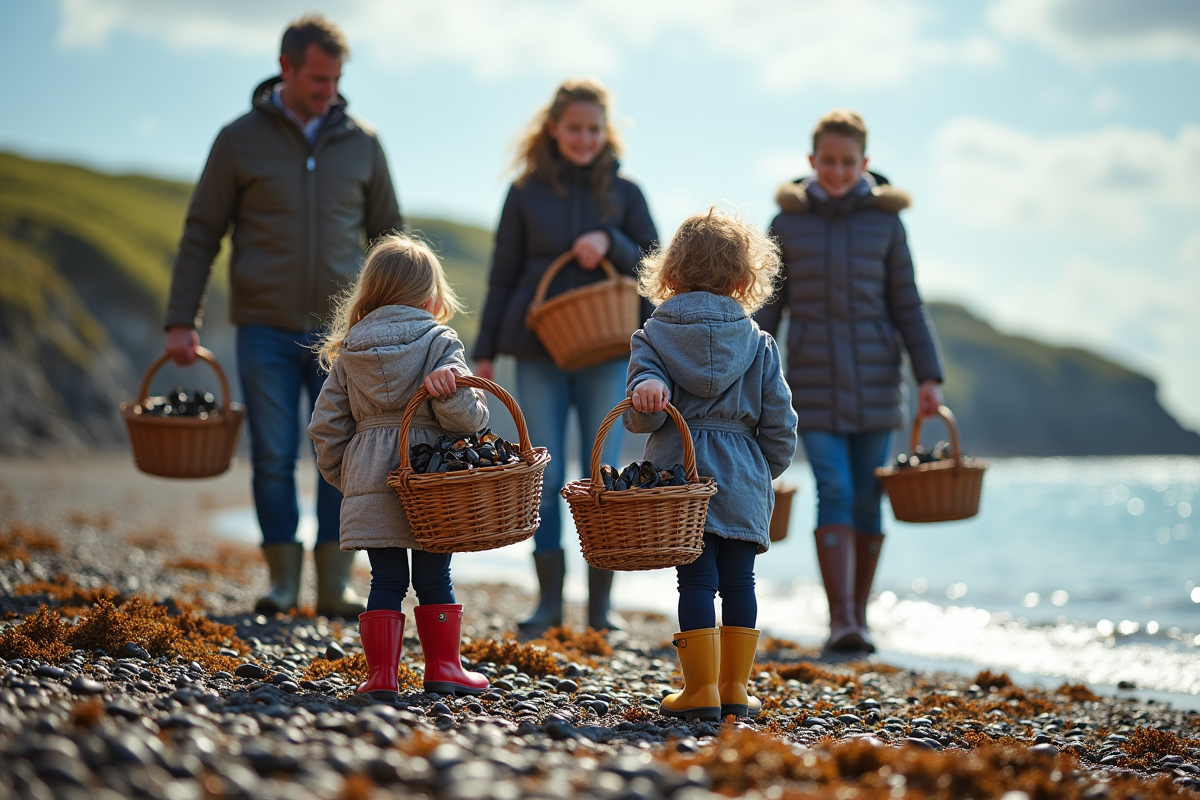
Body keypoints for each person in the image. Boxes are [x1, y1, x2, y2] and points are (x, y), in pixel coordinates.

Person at [163, 16, 405, 618]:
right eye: (319, 79)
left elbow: (392, 243)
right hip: (264, 329)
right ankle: (279, 583)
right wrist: (179, 319)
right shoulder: (238, 139)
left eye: (336, 79)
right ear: (286, 67)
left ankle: (333, 585)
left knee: (342, 454)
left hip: (342, 338)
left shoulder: (364, 143)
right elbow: (201, 233)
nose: (329, 91)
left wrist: (400, 324)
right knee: (272, 454)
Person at [473, 78, 659, 633]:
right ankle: (549, 604)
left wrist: (611, 242)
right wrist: (484, 352)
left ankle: (600, 609)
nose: (584, 138)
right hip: (537, 351)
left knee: (604, 473)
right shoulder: (525, 191)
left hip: (608, 350)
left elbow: (654, 267)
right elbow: (502, 274)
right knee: (544, 473)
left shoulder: (626, 194)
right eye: (574, 128)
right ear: (554, 129)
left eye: (593, 129)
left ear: (607, 133)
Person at [756, 110, 944, 653]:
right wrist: (748, 374)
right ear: (812, 162)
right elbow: (770, 309)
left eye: (848, 162)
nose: (837, 171)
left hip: (879, 384)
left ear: (865, 163)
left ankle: (859, 616)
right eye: (828, 162)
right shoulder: (786, 224)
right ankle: (841, 620)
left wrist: (928, 376)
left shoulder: (887, 223)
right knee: (833, 488)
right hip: (810, 385)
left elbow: (908, 304)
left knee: (868, 497)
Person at [624, 208, 798, 721]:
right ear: (744, 280)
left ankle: (699, 690)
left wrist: (647, 396)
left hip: (681, 477)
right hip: (743, 469)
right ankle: (735, 689)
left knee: (695, 583)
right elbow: (781, 424)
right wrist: (763, 472)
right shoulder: (760, 343)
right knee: (740, 582)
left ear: (670, 275)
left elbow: (640, 420)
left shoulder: (652, 337)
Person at [308, 235, 491, 699]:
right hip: (431, 480)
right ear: (432, 297)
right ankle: (445, 668)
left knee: (386, 579)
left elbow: (325, 427)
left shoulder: (350, 348)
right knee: (434, 577)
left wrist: (345, 478)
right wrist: (447, 393)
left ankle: (381, 677)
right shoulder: (438, 340)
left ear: (370, 293)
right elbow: (471, 419)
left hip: (369, 477)